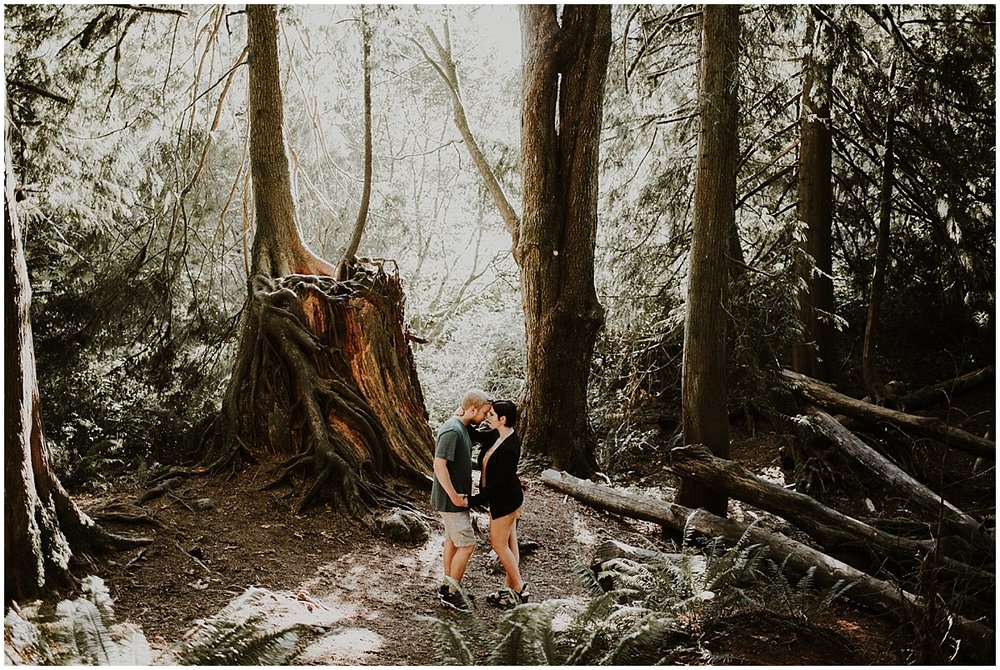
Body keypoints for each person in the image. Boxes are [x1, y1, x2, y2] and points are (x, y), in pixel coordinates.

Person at [429, 389, 492, 612]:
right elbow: (439, 466)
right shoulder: (452, 431)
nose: (485, 417)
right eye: (484, 412)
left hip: (456, 499)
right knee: (467, 545)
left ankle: (448, 586)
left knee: (453, 542)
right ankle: (452, 593)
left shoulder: (462, 427)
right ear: (472, 409)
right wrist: (454, 496)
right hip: (452, 500)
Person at [468, 399, 528, 609]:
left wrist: (474, 501)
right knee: (511, 544)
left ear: (503, 419)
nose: (487, 416)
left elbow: (498, 484)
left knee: (498, 544)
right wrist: (463, 419)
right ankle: (508, 591)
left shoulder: (511, 446)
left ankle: (520, 590)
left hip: (506, 501)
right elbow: (478, 437)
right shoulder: (496, 434)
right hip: (503, 498)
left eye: (491, 414)